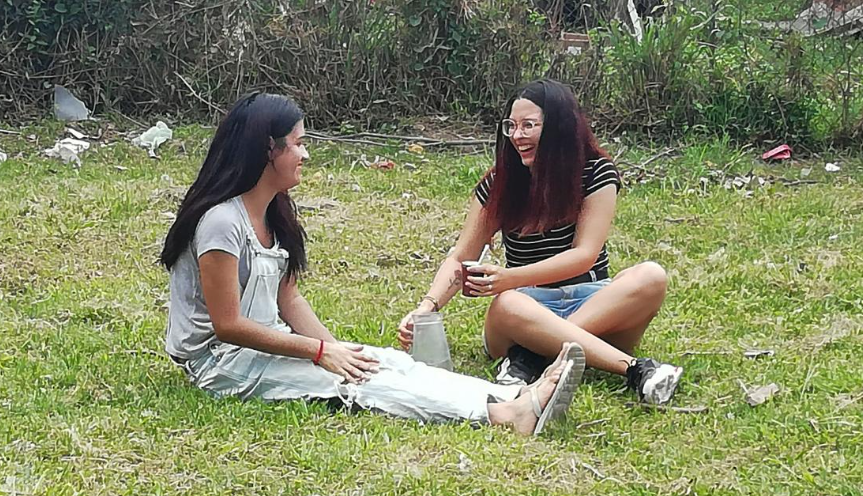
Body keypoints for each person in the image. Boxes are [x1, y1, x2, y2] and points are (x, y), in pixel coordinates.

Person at [159, 91, 583, 435]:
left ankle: (511, 395)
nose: (305, 154)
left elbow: (288, 298)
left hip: (264, 346)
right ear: (268, 149)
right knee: (353, 386)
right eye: (299, 143)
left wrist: (338, 351)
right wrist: (320, 353)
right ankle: (502, 415)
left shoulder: (273, 212)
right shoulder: (222, 222)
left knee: (385, 364)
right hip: (221, 363)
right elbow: (228, 325)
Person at [398, 80, 683, 405]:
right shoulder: (499, 183)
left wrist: (509, 278)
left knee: (651, 276)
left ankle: (532, 355)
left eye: (529, 125)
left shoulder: (596, 173)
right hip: (525, 310)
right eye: (511, 126)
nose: (517, 136)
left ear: (559, 128)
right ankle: (635, 369)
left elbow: (584, 255)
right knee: (508, 303)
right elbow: (461, 257)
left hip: (593, 303)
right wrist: (426, 307)